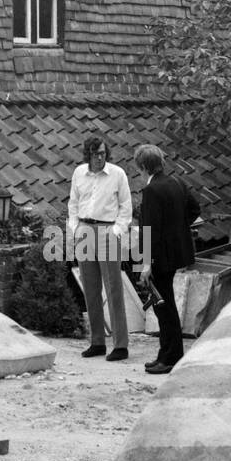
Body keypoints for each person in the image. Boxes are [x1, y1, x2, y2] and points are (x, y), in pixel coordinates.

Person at [133, 143, 200, 374]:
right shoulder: (177, 182)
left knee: (164, 307)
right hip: (175, 254)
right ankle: (167, 354)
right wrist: (178, 233)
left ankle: (170, 358)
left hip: (160, 258)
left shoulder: (152, 191)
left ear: (143, 167)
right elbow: (195, 209)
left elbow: (149, 229)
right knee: (166, 305)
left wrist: (146, 264)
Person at [67, 136, 133, 361]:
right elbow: (73, 204)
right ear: (88, 155)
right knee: (91, 288)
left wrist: (116, 231)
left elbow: (126, 207)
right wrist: (75, 228)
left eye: (103, 153)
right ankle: (97, 342)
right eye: (95, 154)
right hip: (85, 230)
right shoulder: (78, 173)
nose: (99, 158)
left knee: (113, 288)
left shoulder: (118, 174)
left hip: (108, 231)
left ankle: (120, 345)